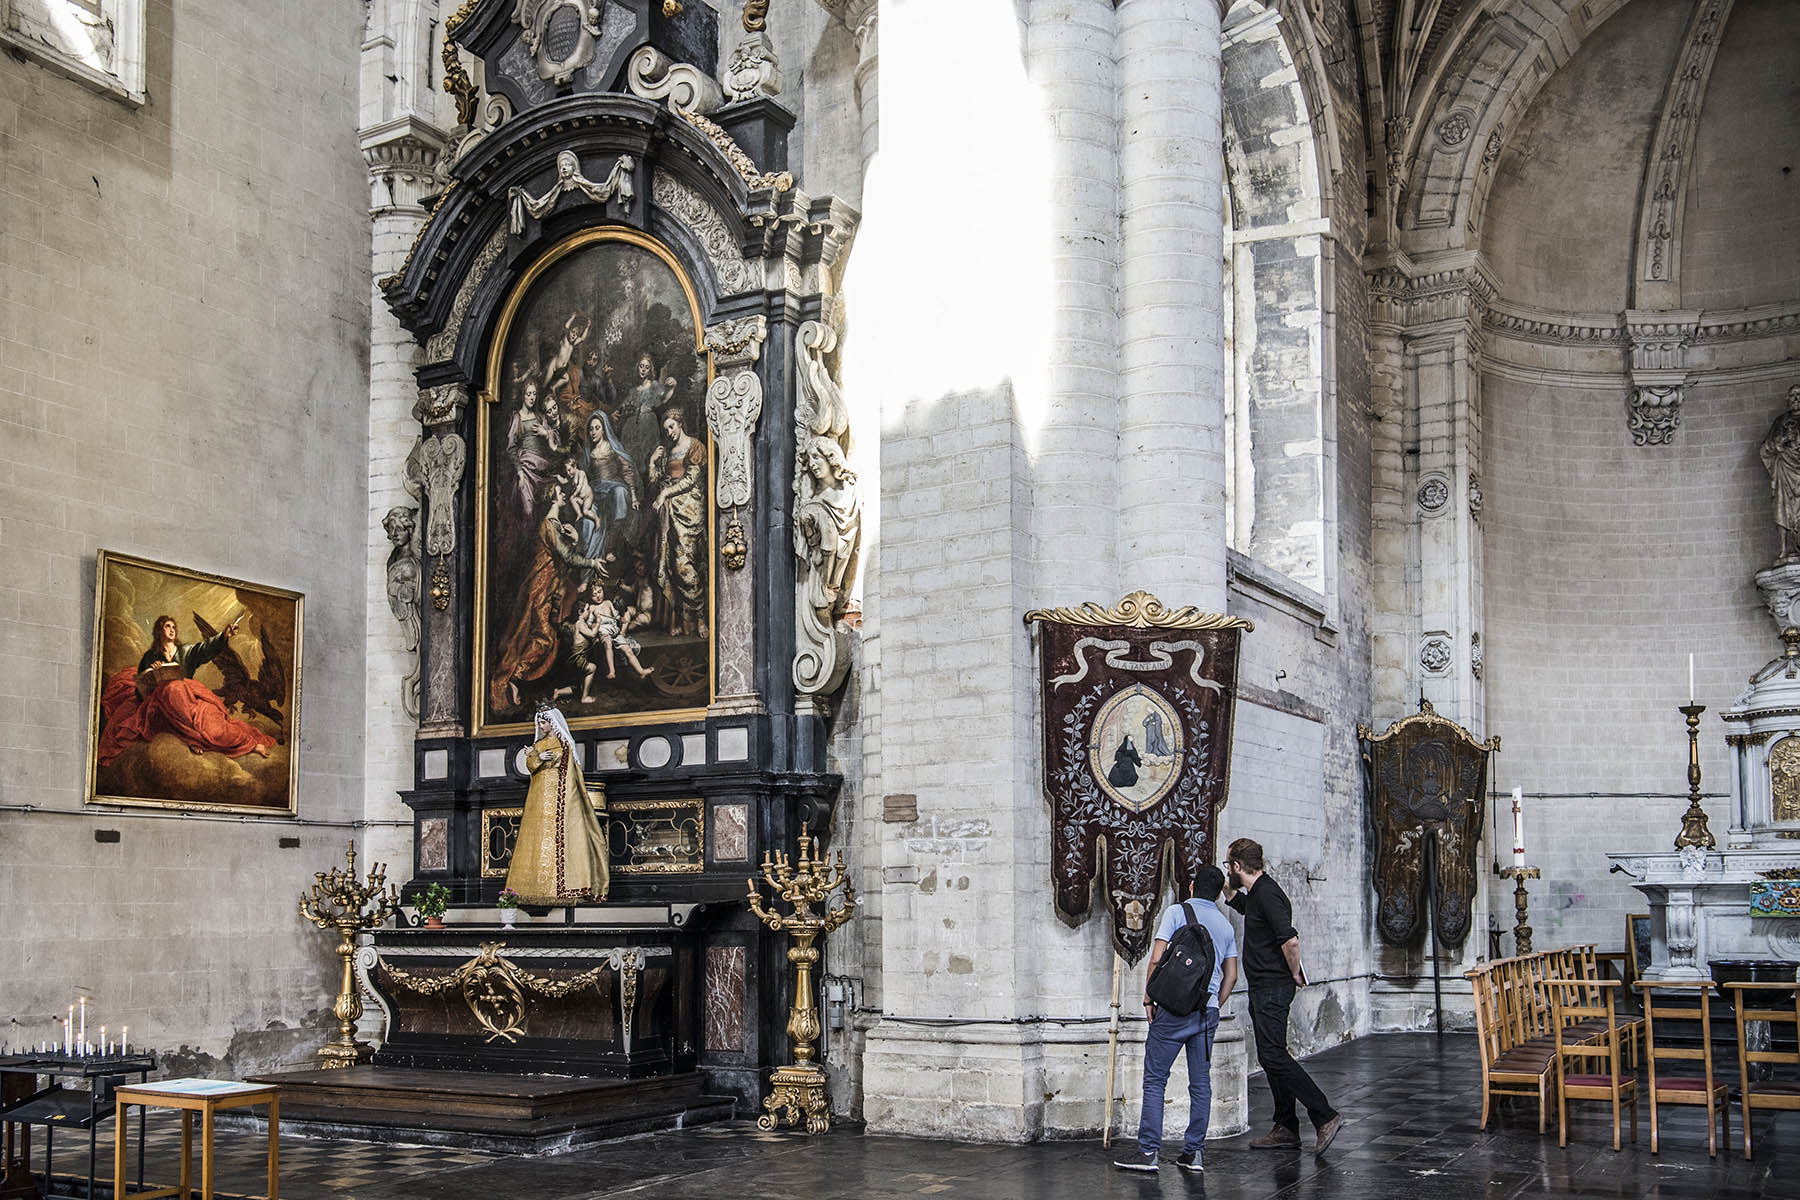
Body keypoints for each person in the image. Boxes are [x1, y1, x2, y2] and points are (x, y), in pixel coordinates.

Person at [1114, 865, 1239, 1174]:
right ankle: (1193, 1154)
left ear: (1193, 886)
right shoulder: (1225, 926)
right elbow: (1232, 976)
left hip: (1173, 1010)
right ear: (1219, 892)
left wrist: (1148, 997)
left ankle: (1148, 1153)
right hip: (1206, 1012)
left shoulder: (1176, 911)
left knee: (1156, 1080)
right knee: (1200, 1083)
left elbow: (1157, 957)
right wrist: (1213, 1004)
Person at [1222, 837, 1342, 1155]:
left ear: (1237, 866)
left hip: (1273, 987)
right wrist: (1229, 893)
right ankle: (1286, 1126)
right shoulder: (1259, 894)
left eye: (1227, 865)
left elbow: (1289, 940)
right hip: (1265, 986)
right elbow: (1252, 911)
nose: (1227, 870)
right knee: (1270, 1055)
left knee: (1274, 1056)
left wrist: (1292, 972)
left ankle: (1325, 1115)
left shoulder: (1268, 893)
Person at [96, 614, 276, 763]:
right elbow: (140, 690)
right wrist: (152, 671)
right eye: (168, 626)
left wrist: (224, 636)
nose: (172, 629)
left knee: (212, 724)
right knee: (170, 691)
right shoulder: (151, 656)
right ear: (160, 630)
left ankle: (248, 743)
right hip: (162, 705)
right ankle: (193, 738)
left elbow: (205, 648)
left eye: (174, 626)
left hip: (189, 698)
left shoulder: (186, 652)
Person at [503, 706, 609, 904]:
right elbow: (532, 765)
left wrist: (540, 758)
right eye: (539, 723)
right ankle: (535, 888)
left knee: (563, 838)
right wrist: (535, 756)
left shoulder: (565, 743)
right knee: (537, 836)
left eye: (543, 723)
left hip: (561, 795)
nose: (541, 727)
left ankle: (564, 888)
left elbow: (568, 769)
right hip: (540, 796)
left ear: (552, 722)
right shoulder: (540, 744)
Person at [647, 406, 707, 637]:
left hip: (688, 511)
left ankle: (701, 615)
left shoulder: (694, 446)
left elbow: (691, 480)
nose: (670, 432)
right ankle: (686, 617)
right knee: (669, 566)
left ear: (680, 423)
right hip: (668, 515)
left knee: (685, 566)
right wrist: (653, 463)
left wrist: (665, 494)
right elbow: (656, 483)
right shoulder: (667, 452)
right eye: (666, 429)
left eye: (672, 426)